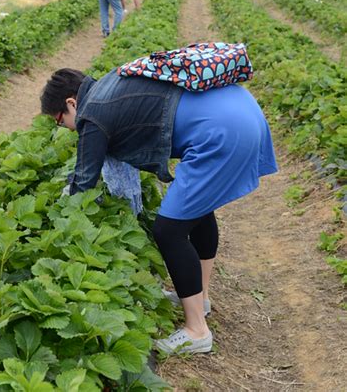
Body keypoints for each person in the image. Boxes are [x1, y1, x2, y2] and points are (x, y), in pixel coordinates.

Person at [40, 65, 277, 355]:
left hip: (221, 130)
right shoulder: (112, 83)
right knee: (198, 210)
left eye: (59, 121)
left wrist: (57, 224)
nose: (64, 128)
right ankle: (199, 298)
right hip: (241, 108)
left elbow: (83, 184)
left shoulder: (92, 113)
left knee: (169, 230)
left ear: (71, 103)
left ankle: (196, 331)